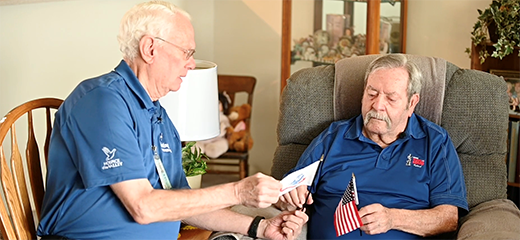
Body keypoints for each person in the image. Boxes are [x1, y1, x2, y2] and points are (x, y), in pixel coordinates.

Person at [37, 1, 307, 240]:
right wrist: (239, 192)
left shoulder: (159, 116)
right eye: (186, 52)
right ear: (150, 48)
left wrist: (259, 227)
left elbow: (182, 202)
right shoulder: (102, 101)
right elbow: (143, 207)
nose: (191, 64)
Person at [279, 54, 468, 239]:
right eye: (372, 94)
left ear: (411, 103)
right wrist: (289, 196)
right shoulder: (333, 136)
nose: (377, 106)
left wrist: (393, 219)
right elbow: (289, 193)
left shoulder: (435, 141)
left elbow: (448, 219)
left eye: (391, 98)